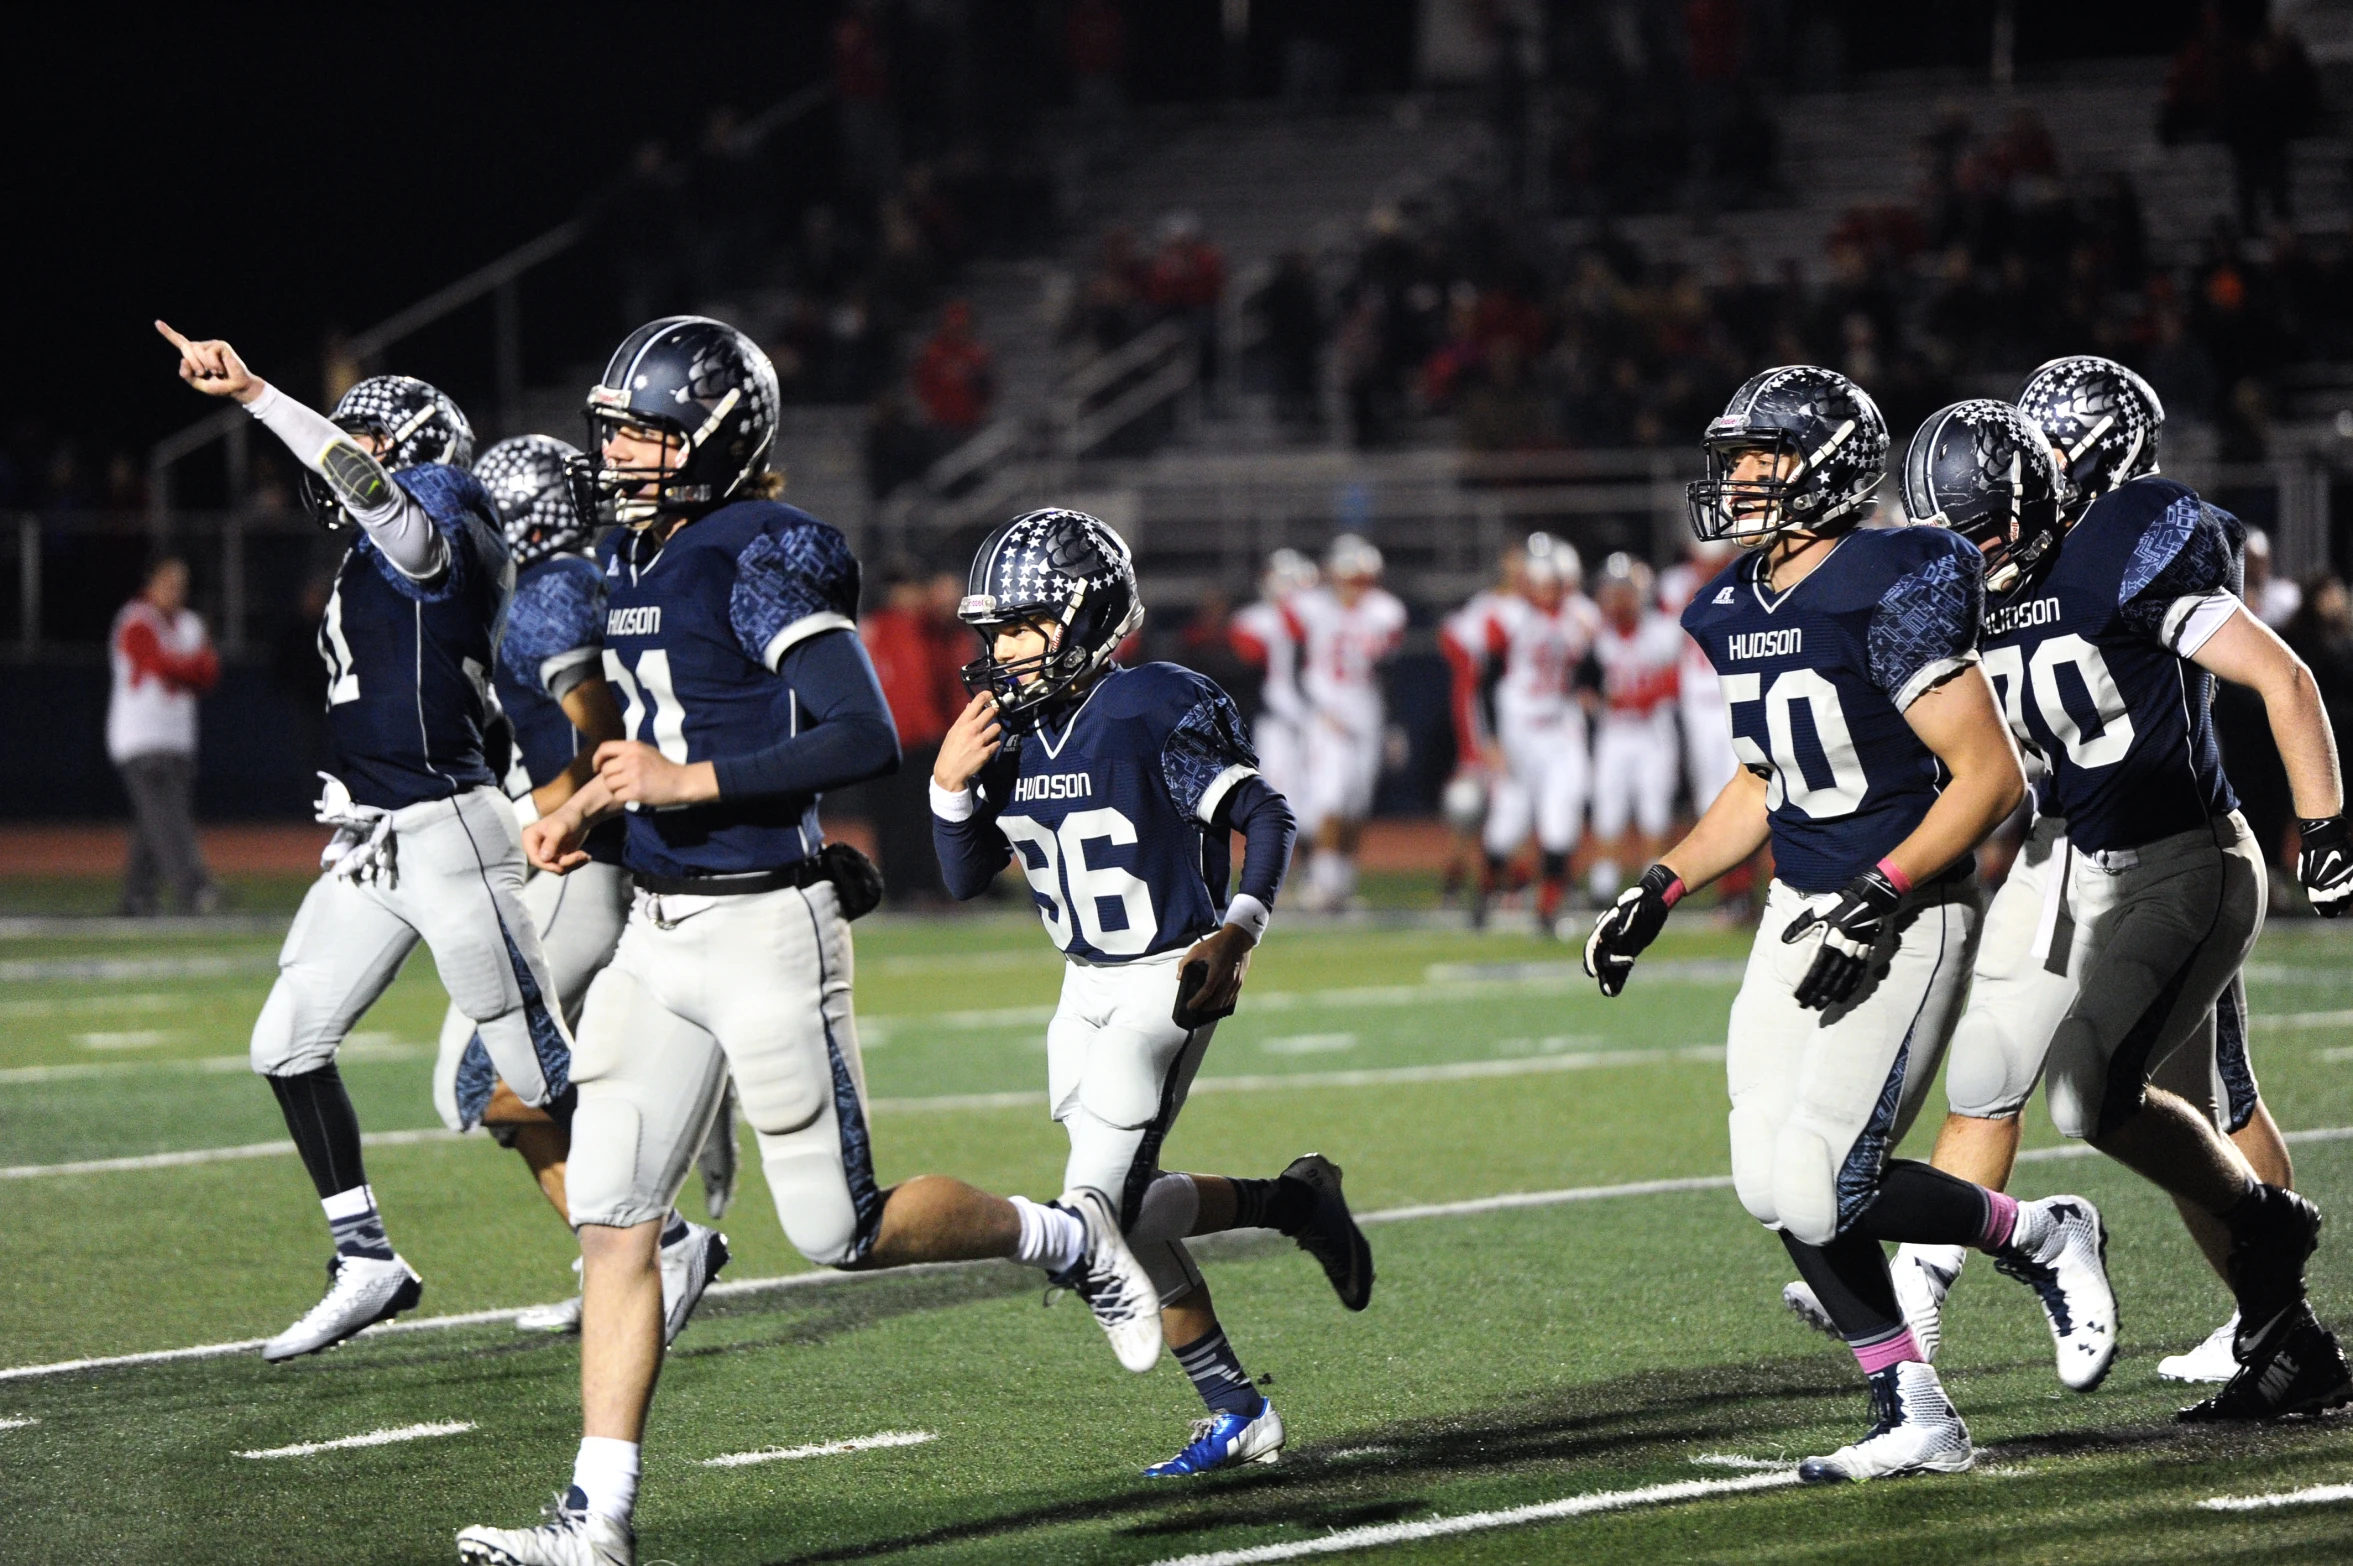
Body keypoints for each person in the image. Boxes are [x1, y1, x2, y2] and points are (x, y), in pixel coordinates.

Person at [461, 319, 1166, 1566]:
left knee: (838, 1233)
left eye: (641, 429)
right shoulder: (638, 551)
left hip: (763, 934)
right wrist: (590, 807)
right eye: (614, 425)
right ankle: (598, 1521)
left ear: (714, 436)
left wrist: (683, 784)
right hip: (657, 936)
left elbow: (860, 733)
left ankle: (1068, 1237)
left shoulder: (759, 553)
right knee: (616, 1224)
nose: (615, 450)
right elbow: (660, 736)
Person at [1583, 366, 2117, 1483]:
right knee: (1764, 1177)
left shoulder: (1894, 576)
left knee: (1832, 1180)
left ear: (1824, 465)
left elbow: (1988, 779)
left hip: (1908, 909)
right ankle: (1912, 1408)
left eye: (1757, 458)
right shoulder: (1733, 603)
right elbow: (1762, 781)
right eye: (1730, 458)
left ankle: (2043, 1234)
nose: (1734, 481)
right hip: (1797, 906)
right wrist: (1660, 886)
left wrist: (1877, 893)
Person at [1865, 363, 2351, 1420]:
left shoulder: (2119, 553)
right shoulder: (1981, 596)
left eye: (1982, 531)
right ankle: (2281, 1332)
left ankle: (2268, 1251)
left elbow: (2285, 675)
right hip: (2075, 854)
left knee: (2103, 1095)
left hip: (2178, 858)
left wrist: (2323, 826)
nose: (1966, 556)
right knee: (2019, 1068)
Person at [158, 323, 575, 1363]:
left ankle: (661, 1240)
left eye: (362, 438)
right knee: (286, 1040)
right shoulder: (360, 559)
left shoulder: (445, 500)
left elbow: (398, 519)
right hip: (379, 838)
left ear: (415, 445)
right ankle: (366, 1258)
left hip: (449, 833)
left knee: (540, 1070)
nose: (341, 453)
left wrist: (259, 393)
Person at [930, 506, 1372, 1475]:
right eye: (994, 629)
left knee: (1090, 1207)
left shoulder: (1150, 705)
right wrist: (948, 789)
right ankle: (1268, 1299)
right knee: (1125, 1210)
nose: (1002, 650)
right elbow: (963, 877)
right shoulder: (1014, 728)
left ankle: (1212, 1329)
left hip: (1165, 977)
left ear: (1087, 620)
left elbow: (1265, 811)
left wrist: (1239, 929)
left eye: (1022, 625)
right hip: (1078, 982)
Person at [427, 435, 731, 1340]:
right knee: (511, 1093)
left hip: (571, 868)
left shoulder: (554, 586)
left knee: (485, 1083)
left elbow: (602, 735)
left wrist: (548, 812)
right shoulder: (575, 577)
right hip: (576, 860)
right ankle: (631, 1257)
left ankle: (659, 1240)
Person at [1451, 534, 1599, 932]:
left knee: (1560, 819)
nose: (1552, 590)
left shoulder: (1581, 616)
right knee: (1507, 824)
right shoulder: (1508, 617)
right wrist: (1492, 740)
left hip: (1560, 729)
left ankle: (1548, 910)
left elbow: (1592, 669)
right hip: (1518, 731)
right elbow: (1484, 683)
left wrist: (1588, 692)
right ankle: (1483, 896)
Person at [1290, 534, 1406, 911]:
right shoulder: (1310, 607)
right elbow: (1290, 661)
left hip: (1366, 713)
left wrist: (1390, 724)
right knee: (1330, 799)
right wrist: (1312, 707)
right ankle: (1321, 882)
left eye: (1362, 580)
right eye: (1349, 578)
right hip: (1326, 712)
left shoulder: (1384, 612)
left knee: (1356, 804)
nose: (1356, 588)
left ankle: (1342, 882)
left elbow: (1389, 674)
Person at [107, 555, 221, 915]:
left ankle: (137, 895)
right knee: (168, 817)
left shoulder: (189, 622)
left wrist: (186, 668)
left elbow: (208, 673)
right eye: (169, 582)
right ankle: (195, 887)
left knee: (154, 820)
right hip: (141, 737)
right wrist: (188, 667)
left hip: (178, 737)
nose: (176, 590)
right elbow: (160, 665)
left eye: (181, 583)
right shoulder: (135, 619)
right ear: (151, 581)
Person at [1585, 552, 1683, 905]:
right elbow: (1580, 684)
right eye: (1611, 590)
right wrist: (1595, 702)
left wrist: (1640, 697)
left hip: (1652, 732)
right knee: (1607, 809)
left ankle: (1652, 888)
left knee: (1653, 810)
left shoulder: (1662, 631)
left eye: (1624, 590)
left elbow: (1676, 681)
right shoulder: (1594, 632)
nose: (1616, 597)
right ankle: (1603, 885)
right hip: (1614, 733)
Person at [1228, 548, 1319, 808]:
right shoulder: (1254, 621)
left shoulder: (1321, 617)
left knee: (1315, 792)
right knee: (1276, 790)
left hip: (1317, 712)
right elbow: (1248, 672)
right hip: (1275, 713)